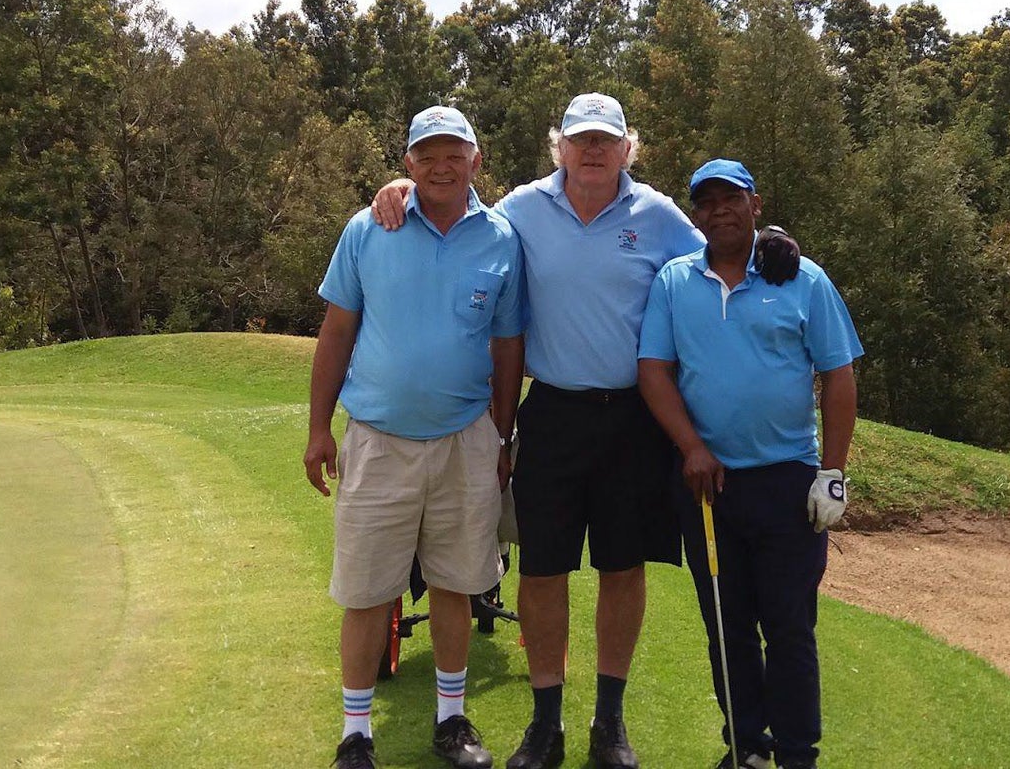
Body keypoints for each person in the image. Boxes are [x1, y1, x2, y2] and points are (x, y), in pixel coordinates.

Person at [371, 94, 799, 769]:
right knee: (542, 571)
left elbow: (718, 254)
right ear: (560, 147)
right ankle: (546, 725)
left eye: (606, 139)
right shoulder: (520, 208)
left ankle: (610, 723)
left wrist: (770, 235)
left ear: (628, 147)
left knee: (622, 567)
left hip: (633, 419)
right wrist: (397, 188)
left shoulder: (657, 215)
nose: (593, 150)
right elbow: (454, 205)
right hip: (554, 413)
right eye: (580, 140)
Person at [306, 105, 526, 769]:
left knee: (459, 585)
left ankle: (452, 721)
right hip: (377, 439)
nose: (440, 163)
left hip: (466, 438)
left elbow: (508, 342)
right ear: (407, 163)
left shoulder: (501, 237)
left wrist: (502, 433)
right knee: (369, 590)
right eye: (426, 153)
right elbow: (337, 331)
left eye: (453, 151)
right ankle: (355, 732)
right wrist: (319, 427)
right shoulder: (370, 228)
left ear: (475, 159)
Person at [636, 159, 861, 769]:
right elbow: (653, 371)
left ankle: (796, 754)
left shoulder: (803, 279)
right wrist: (691, 447)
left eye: (730, 199)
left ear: (755, 206)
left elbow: (837, 376)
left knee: (789, 627)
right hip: (708, 486)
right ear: (696, 215)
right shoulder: (675, 281)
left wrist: (831, 472)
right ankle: (746, 748)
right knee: (727, 624)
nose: (719, 211)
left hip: (788, 480)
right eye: (706, 203)